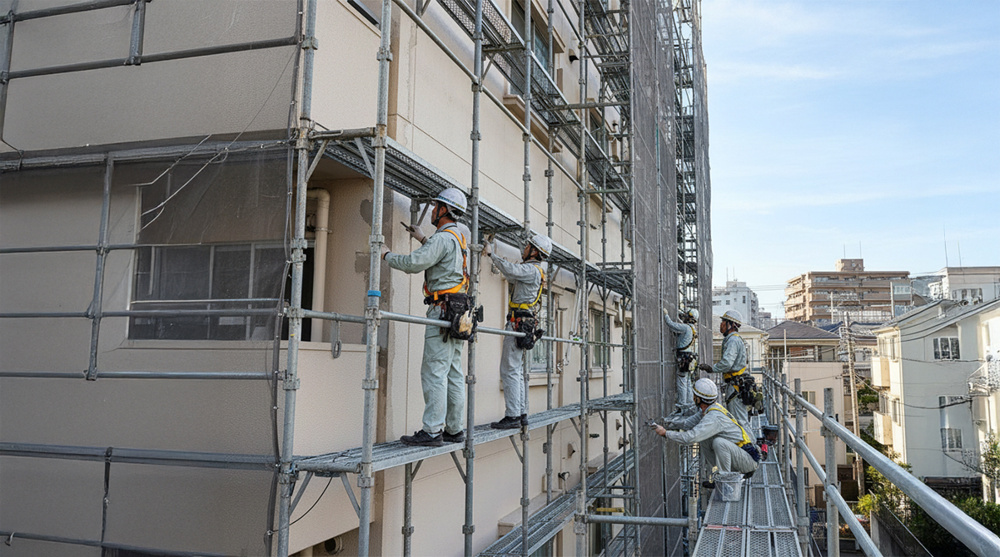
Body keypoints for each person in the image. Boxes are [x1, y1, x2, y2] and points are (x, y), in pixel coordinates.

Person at [382, 187, 470, 447]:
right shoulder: (457, 237)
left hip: (442, 311)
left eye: (435, 207)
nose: (432, 211)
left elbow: (413, 264)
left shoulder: (443, 239)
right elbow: (442, 258)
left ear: (444, 210)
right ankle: (454, 430)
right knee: (453, 372)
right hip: (457, 312)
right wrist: (422, 239)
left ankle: (432, 431)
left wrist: (386, 254)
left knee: (434, 372)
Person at [483, 233, 551, 429]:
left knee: (509, 369)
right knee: (516, 371)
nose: (524, 249)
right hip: (523, 322)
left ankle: (513, 415)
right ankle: (520, 413)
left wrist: (491, 254)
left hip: (518, 322)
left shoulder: (531, 270)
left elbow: (510, 270)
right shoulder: (535, 271)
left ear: (535, 251)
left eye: (528, 246)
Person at [652, 378, 759, 486]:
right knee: (705, 439)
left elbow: (690, 438)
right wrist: (667, 422)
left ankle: (725, 481)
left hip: (748, 460)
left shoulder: (713, 417)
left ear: (699, 399)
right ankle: (719, 476)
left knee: (719, 442)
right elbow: (687, 424)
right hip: (739, 454)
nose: (693, 398)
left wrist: (665, 433)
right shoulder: (709, 409)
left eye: (694, 396)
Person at [697, 309, 760, 431]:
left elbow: (727, 363)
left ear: (731, 324)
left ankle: (750, 448)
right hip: (735, 384)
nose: (721, 325)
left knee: (740, 421)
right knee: (738, 419)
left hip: (735, 385)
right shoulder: (734, 339)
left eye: (723, 322)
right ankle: (746, 446)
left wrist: (712, 369)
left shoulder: (733, 340)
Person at [663, 307, 699, 413]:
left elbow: (672, 325)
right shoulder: (692, 329)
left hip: (684, 357)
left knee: (682, 381)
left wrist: (666, 315)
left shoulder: (685, 328)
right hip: (689, 358)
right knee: (687, 381)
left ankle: (682, 404)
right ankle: (688, 403)